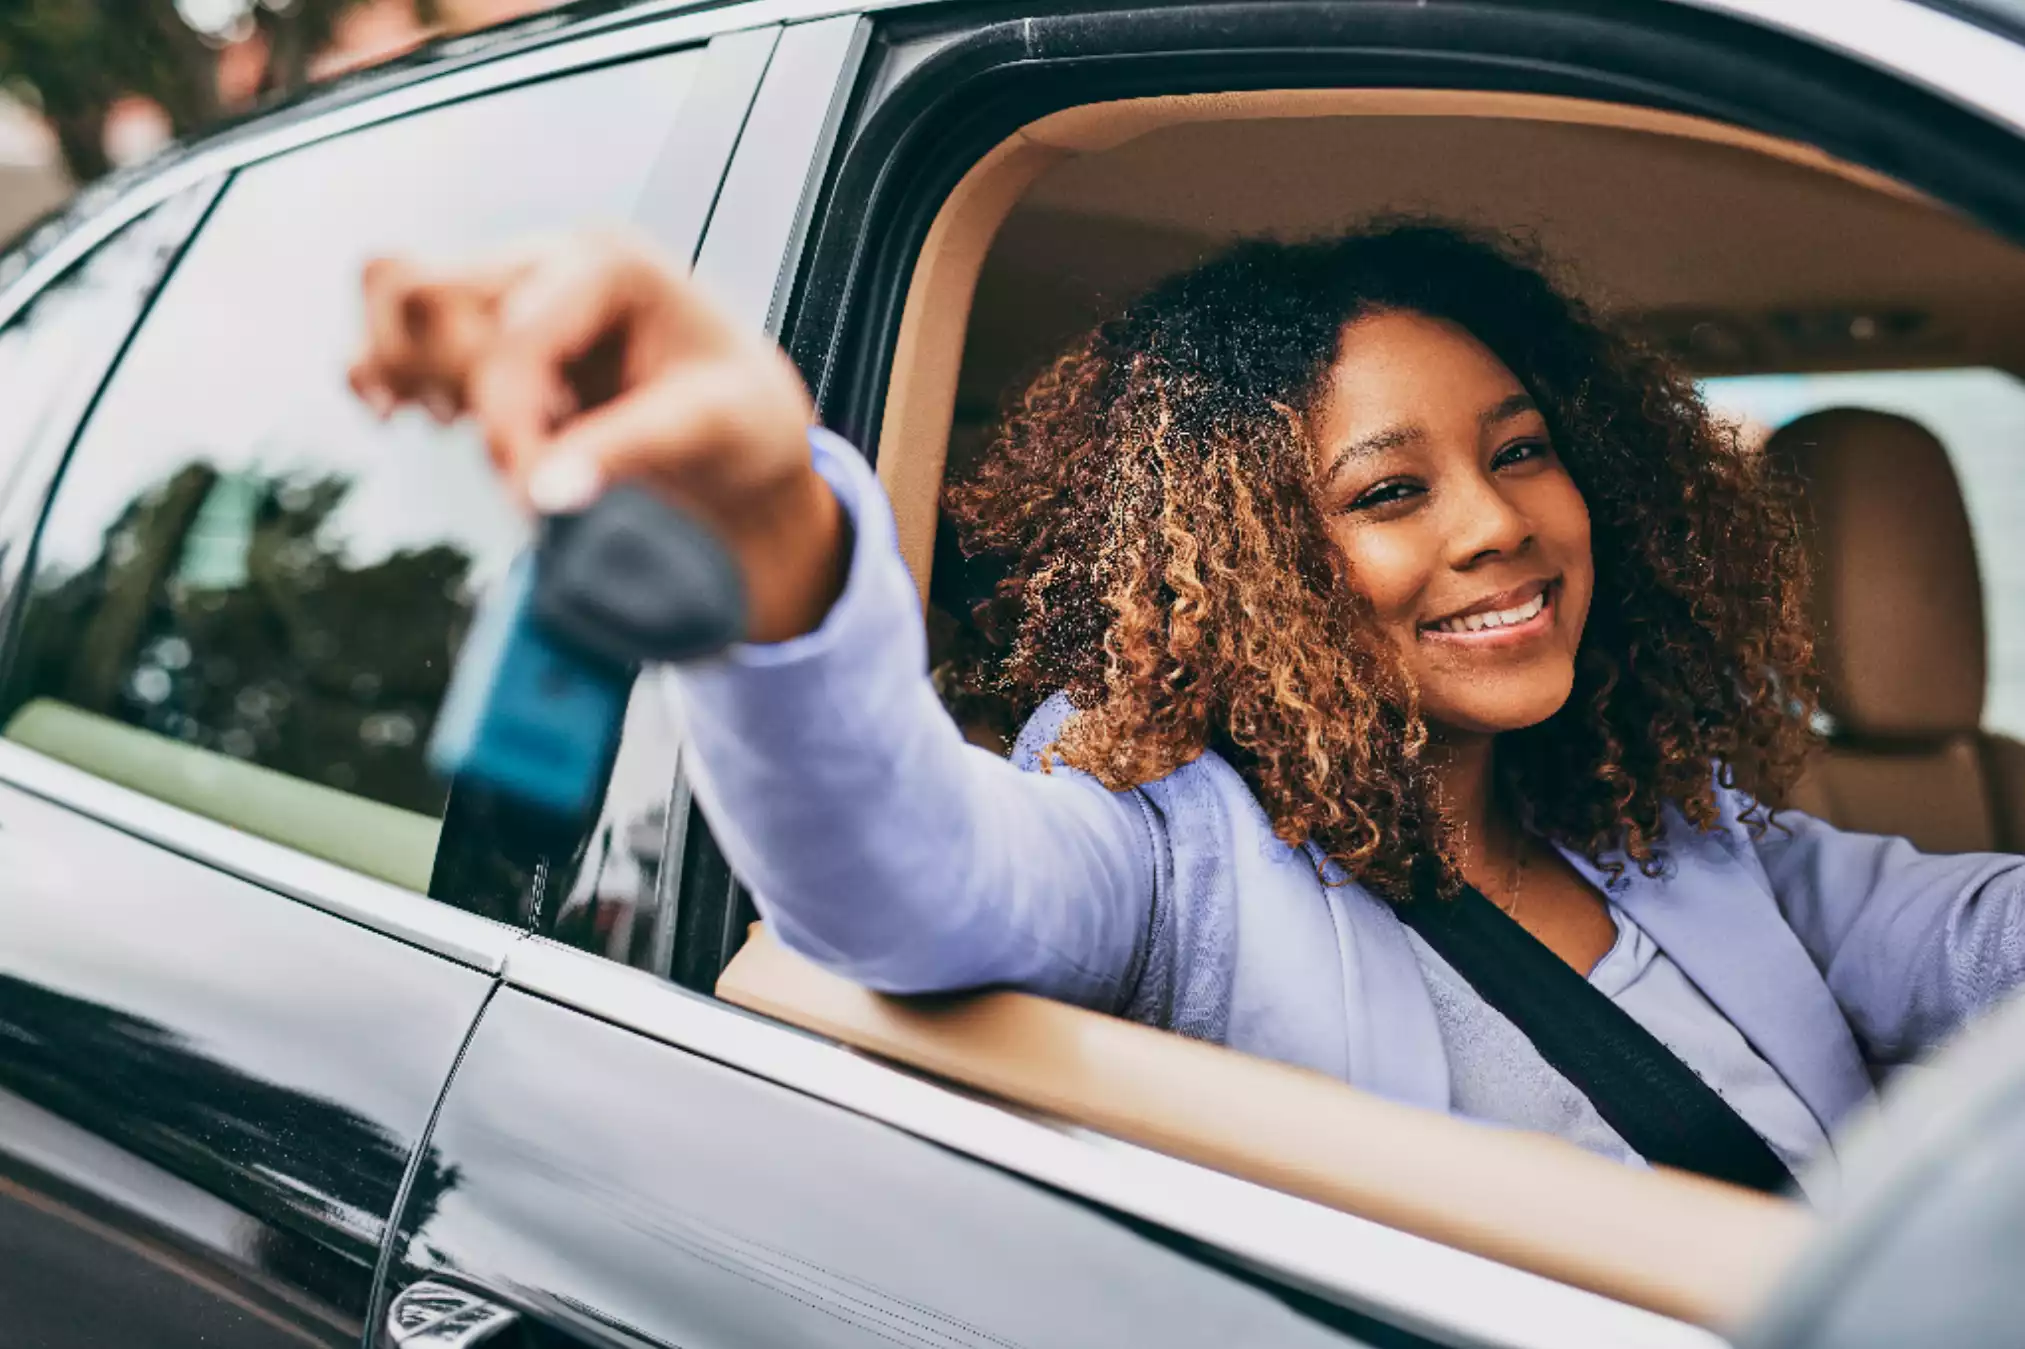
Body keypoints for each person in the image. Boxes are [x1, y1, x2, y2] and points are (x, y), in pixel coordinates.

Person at [349, 221, 2025, 1182]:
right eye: (1388, 494)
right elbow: (914, 878)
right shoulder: (1170, 861)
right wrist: (785, 531)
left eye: (1521, 452)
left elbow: (1973, 947)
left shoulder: (1683, 828)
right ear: (1262, 563)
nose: (1498, 521)